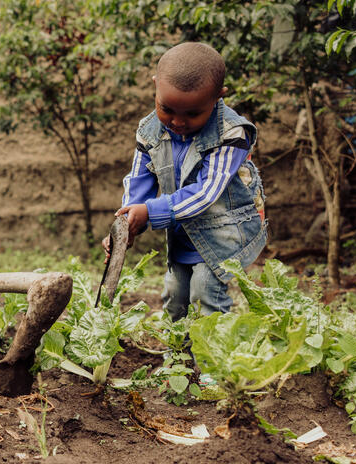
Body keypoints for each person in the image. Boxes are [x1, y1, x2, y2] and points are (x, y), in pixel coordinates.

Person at [111, 41, 266, 319]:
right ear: (156, 85)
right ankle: (176, 358)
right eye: (167, 109)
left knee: (205, 291)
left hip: (224, 233)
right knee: (174, 295)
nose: (178, 122)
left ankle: (213, 359)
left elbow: (207, 192)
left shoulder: (231, 134)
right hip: (184, 233)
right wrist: (128, 222)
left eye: (193, 113)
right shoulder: (149, 131)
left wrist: (151, 211)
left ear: (218, 96)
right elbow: (139, 179)